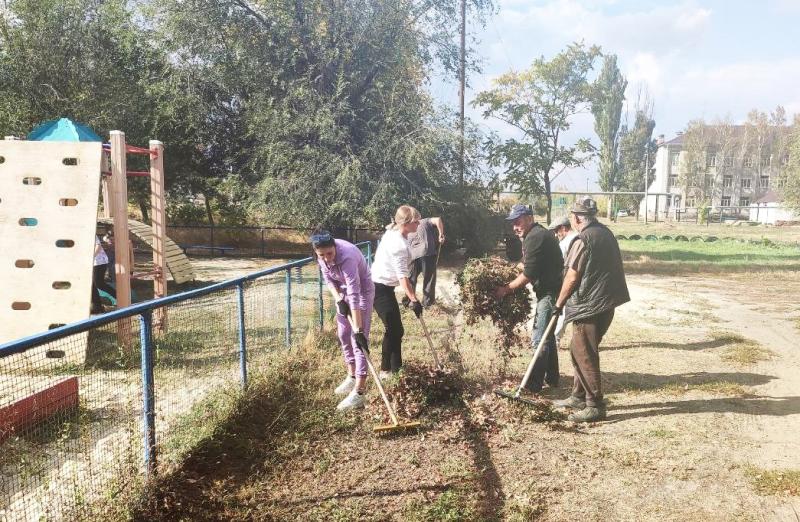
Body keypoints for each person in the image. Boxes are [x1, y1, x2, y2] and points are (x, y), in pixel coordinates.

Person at [552, 197, 630, 422]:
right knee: (579, 350)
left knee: (584, 353)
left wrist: (559, 303)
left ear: (576, 218)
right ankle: (578, 395)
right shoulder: (606, 233)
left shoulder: (583, 239)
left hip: (590, 306)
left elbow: (573, 275)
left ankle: (594, 405)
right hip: (607, 304)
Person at [495, 204, 563, 393]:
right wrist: (507, 270)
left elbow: (529, 274)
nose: (515, 227)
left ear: (529, 219)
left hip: (550, 292)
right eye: (513, 223)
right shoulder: (535, 235)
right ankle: (553, 377)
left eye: (518, 222)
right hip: (550, 290)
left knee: (539, 338)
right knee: (547, 335)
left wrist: (505, 289)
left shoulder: (535, 237)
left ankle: (533, 385)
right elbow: (527, 264)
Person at [311, 230, 374, 411]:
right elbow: (329, 280)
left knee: (358, 341)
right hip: (343, 292)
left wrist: (359, 329)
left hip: (362, 293)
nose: (327, 258)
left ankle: (359, 392)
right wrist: (339, 299)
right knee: (343, 334)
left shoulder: (347, 257)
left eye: (329, 253)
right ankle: (351, 376)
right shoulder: (322, 256)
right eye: (321, 255)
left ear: (335, 248)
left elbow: (355, 293)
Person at [371, 205, 424, 377]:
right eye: (416, 221)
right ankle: (389, 371)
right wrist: (413, 299)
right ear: (407, 222)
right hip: (379, 288)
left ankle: (392, 369)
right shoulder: (398, 244)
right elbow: (403, 277)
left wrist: (410, 296)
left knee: (395, 329)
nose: (419, 224)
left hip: (385, 287)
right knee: (394, 329)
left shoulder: (393, 232)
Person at [549, 216, 579, 344]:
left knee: (562, 308)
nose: (556, 235)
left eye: (556, 231)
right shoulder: (579, 236)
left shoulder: (565, 243)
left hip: (569, 279)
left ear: (563, 228)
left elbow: (558, 264)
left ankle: (555, 337)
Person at [403, 216, 445, 308]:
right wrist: (440, 234)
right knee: (429, 278)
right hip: (427, 252)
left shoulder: (406, 226)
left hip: (412, 254)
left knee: (411, 279)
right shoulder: (425, 221)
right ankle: (428, 303)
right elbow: (438, 219)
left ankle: (409, 301)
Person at [90, 235, 116, 314]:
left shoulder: (91, 232)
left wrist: (91, 257)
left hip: (99, 261)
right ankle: (97, 306)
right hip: (91, 262)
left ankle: (119, 297)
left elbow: (98, 246)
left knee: (99, 284)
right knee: (92, 284)